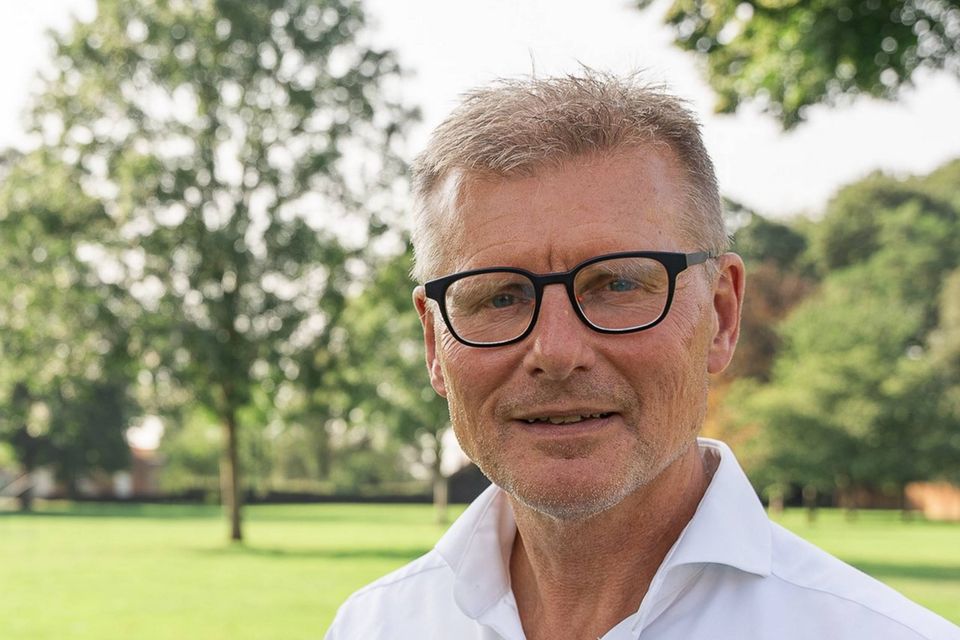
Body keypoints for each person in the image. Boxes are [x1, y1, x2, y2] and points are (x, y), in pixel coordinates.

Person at [326, 71, 960, 640]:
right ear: (435, 343)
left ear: (721, 314)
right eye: (499, 296)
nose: (556, 352)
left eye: (618, 284)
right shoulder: (376, 626)